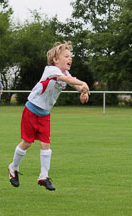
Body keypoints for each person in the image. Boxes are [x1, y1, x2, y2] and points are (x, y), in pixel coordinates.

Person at [7, 41, 90, 190]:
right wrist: (83, 83)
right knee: (27, 142)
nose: (70, 59)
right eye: (66, 56)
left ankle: (43, 177)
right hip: (31, 111)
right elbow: (68, 80)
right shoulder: (51, 70)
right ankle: (13, 168)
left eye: (71, 56)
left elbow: (75, 84)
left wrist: (83, 91)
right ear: (55, 60)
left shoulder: (66, 73)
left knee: (46, 144)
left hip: (45, 115)